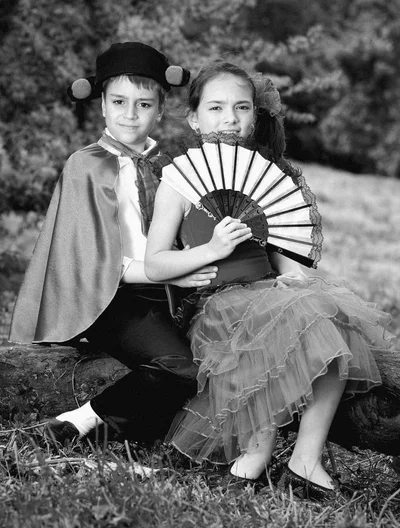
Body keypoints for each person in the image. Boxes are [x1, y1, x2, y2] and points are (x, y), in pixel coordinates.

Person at [144, 60, 394, 500]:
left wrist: (295, 281)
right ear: (194, 118)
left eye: (241, 109)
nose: (230, 119)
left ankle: (306, 459)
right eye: (217, 108)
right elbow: (154, 264)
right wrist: (211, 249)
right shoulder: (180, 181)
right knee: (280, 324)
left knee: (326, 312)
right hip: (216, 304)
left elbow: (283, 255)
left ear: (254, 117)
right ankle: (256, 455)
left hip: (266, 292)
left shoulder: (266, 178)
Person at [9, 42, 218, 444]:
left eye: (143, 104)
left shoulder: (170, 166)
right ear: (102, 105)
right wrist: (178, 270)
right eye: (119, 101)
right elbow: (98, 262)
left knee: (220, 362)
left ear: (159, 110)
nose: (130, 114)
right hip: (109, 299)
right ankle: (81, 420)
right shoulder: (84, 166)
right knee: (182, 369)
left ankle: (135, 443)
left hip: (170, 293)